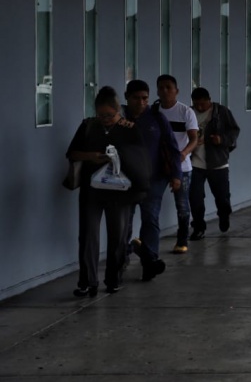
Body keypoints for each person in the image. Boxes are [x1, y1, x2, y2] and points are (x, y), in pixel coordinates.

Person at [67, 86, 144, 296]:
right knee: (88, 235)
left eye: (110, 115)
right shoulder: (88, 126)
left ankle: (113, 279)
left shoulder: (129, 128)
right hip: (92, 189)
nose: (105, 119)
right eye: (101, 115)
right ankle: (87, 281)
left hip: (120, 191)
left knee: (117, 236)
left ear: (118, 110)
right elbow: (72, 153)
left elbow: (140, 158)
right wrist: (91, 156)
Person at [122, 79, 181, 282]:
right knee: (124, 223)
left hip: (154, 179)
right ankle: (122, 262)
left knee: (150, 219)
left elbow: (172, 148)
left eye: (145, 98)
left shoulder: (156, 118)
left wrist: (176, 175)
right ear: (126, 98)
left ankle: (150, 263)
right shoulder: (119, 119)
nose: (141, 103)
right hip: (125, 181)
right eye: (136, 98)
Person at [189, 87, 241, 240]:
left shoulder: (221, 112)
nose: (199, 107)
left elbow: (234, 131)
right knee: (195, 197)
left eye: (202, 104)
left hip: (218, 163)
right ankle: (198, 227)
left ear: (209, 100)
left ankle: (224, 215)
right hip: (195, 163)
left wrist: (221, 140)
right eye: (196, 104)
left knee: (222, 197)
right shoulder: (189, 113)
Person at [155, 74, 199, 254]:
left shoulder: (186, 112)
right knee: (152, 203)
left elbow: (194, 138)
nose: (165, 91)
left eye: (168, 87)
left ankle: (182, 239)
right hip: (158, 166)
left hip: (182, 167)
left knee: (182, 204)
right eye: (161, 88)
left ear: (176, 91)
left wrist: (184, 153)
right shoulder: (154, 112)